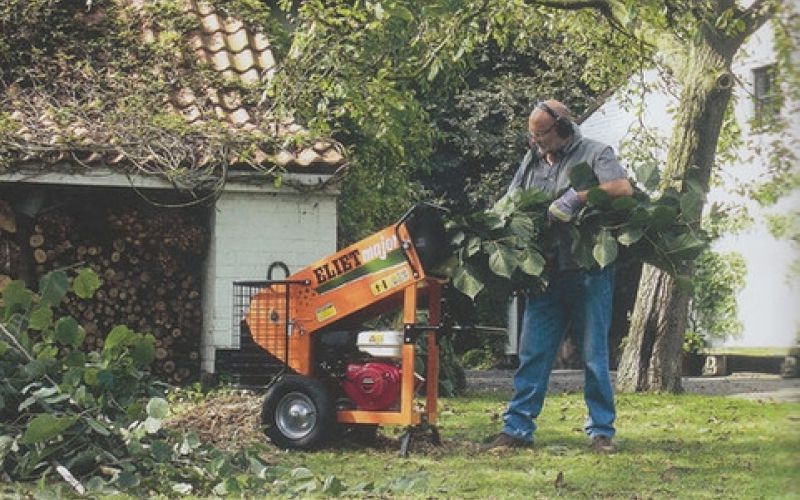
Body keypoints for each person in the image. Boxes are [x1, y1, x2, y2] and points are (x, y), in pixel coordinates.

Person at [483, 99, 633, 453]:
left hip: (589, 273)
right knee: (532, 353)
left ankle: (601, 432)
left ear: (563, 128)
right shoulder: (531, 161)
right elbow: (512, 200)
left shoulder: (596, 153)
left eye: (542, 134)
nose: (536, 142)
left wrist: (578, 197)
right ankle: (517, 430)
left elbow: (622, 188)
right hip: (546, 275)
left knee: (594, 355)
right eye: (532, 135)